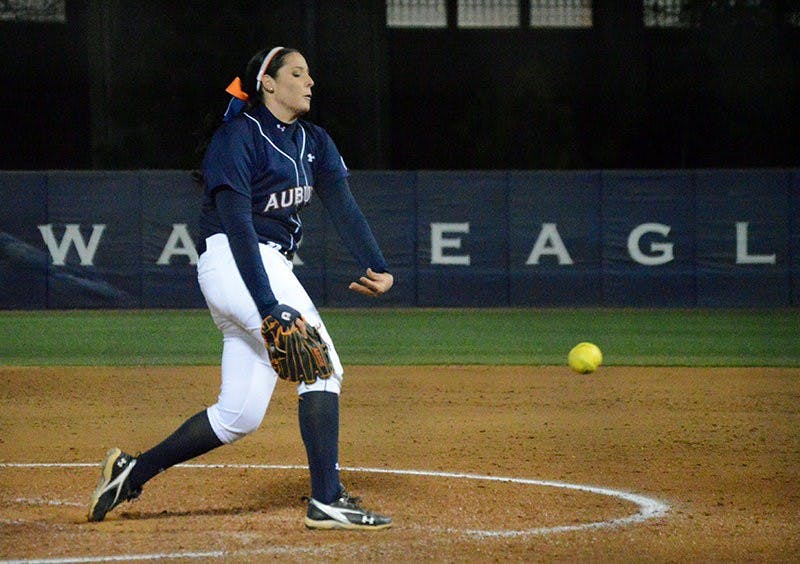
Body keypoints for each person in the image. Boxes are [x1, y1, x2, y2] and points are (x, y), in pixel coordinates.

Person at [88, 46, 394, 530]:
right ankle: (327, 499)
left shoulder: (314, 141)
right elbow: (236, 225)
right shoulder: (238, 136)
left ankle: (131, 471)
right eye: (297, 73)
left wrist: (377, 264)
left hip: (254, 272)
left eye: (310, 73)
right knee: (321, 366)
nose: (310, 81)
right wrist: (270, 306)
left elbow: (344, 206)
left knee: (239, 414)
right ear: (267, 84)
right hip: (239, 262)